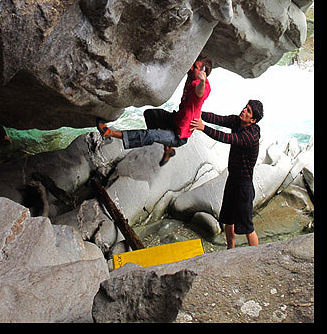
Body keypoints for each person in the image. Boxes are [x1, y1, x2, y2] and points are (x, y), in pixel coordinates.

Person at [96, 56, 212, 166]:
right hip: (175, 120)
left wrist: (202, 81)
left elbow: (199, 93)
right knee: (150, 114)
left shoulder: (203, 86)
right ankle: (168, 149)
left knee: (151, 135)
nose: (191, 67)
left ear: (203, 73)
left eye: (195, 67)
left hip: (179, 135)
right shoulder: (192, 77)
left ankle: (109, 133)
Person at [190, 100, 263, 249]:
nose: (244, 110)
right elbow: (219, 119)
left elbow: (227, 138)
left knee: (248, 227)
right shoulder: (238, 121)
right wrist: (199, 114)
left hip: (244, 185)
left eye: (248, 111)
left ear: (253, 120)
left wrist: (203, 128)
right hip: (232, 180)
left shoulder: (251, 136)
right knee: (228, 219)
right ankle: (230, 250)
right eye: (245, 107)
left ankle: (256, 255)